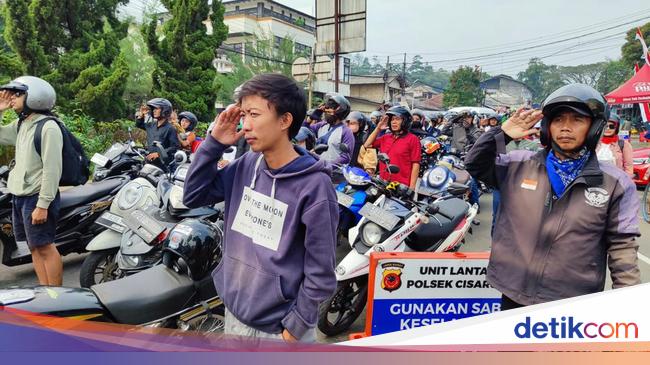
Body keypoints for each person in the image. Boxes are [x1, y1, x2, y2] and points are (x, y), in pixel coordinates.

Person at [183, 73, 337, 343]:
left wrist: (296, 327)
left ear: (285, 120)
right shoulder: (246, 165)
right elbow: (194, 195)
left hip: (279, 331)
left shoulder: (315, 186)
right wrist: (214, 144)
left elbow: (321, 270)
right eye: (243, 114)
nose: (245, 125)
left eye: (254, 114)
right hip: (235, 313)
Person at [465, 83, 641, 310]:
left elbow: (622, 248)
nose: (565, 128)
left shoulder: (615, 183)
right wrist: (502, 134)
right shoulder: (518, 165)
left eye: (577, 120)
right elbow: (475, 164)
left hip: (573, 302)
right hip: (512, 292)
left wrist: (628, 307)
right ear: (548, 127)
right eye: (558, 120)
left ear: (594, 127)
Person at [0, 76, 63, 286]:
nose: (12, 98)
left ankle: (57, 297)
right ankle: (46, 293)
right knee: (33, 246)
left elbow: (52, 170)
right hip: (20, 196)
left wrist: (43, 205)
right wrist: (0, 109)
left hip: (37, 197)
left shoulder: (48, 127)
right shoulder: (22, 123)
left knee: (45, 246)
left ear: (35, 97)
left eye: (18, 94)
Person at [363, 106, 421, 189]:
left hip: (400, 186)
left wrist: (411, 188)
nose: (394, 122)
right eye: (392, 119)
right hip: (382, 183)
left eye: (397, 119)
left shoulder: (413, 139)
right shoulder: (385, 137)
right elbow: (367, 145)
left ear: (405, 121)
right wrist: (378, 128)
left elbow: (415, 164)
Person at [310, 93, 355, 165]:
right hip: (317, 170)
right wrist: (311, 118)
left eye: (329, 108)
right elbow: (302, 132)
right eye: (326, 108)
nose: (325, 111)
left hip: (335, 173)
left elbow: (346, 157)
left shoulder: (346, 131)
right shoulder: (321, 125)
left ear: (339, 111)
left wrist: (327, 165)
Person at [135, 98, 180, 168]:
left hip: (163, 165)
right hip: (149, 162)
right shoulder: (151, 125)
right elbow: (139, 124)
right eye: (153, 109)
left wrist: (159, 154)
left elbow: (175, 147)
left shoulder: (170, 128)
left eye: (157, 108)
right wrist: (141, 115)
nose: (154, 111)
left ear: (165, 110)